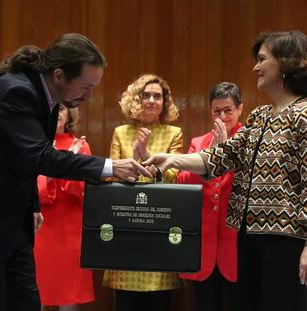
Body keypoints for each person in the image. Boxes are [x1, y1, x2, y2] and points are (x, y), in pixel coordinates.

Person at [0, 33, 151, 311]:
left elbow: (21, 160)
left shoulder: (46, 97)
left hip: (13, 222)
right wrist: (110, 167)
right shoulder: (16, 91)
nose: (88, 96)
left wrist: (33, 204)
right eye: (86, 87)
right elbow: (39, 155)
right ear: (59, 75)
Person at [144, 30, 307, 311]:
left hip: (286, 241)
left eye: (262, 59)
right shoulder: (260, 116)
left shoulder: (303, 115)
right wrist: (170, 160)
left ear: (287, 62)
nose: (255, 67)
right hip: (247, 236)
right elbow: (221, 156)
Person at [102, 74, 184, 311]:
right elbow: (109, 176)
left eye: (157, 96)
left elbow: (174, 178)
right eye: (145, 95)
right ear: (135, 100)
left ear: (164, 102)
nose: (151, 100)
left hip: (159, 224)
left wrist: (146, 153)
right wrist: (136, 157)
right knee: (126, 301)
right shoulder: (120, 132)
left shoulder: (173, 133)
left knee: (159, 300)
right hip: (126, 223)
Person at [177, 82, 243, 311]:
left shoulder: (249, 141)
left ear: (240, 109)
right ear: (210, 111)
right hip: (204, 245)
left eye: (228, 110)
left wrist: (224, 154)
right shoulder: (199, 142)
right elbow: (183, 182)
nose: (222, 116)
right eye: (217, 111)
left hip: (237, 244)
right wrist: (209, 157)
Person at [34, 104, 94, 311]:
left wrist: (70, 160)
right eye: (51, 108)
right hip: (39, 225)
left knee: (69, 293)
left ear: (69, 113)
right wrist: (66, 163)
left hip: (70, 228)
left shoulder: (80, 145)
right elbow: (34, 189)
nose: (56, 113)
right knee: (36, 291)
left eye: (60, 109)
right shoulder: (36, 145)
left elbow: (79, 189)